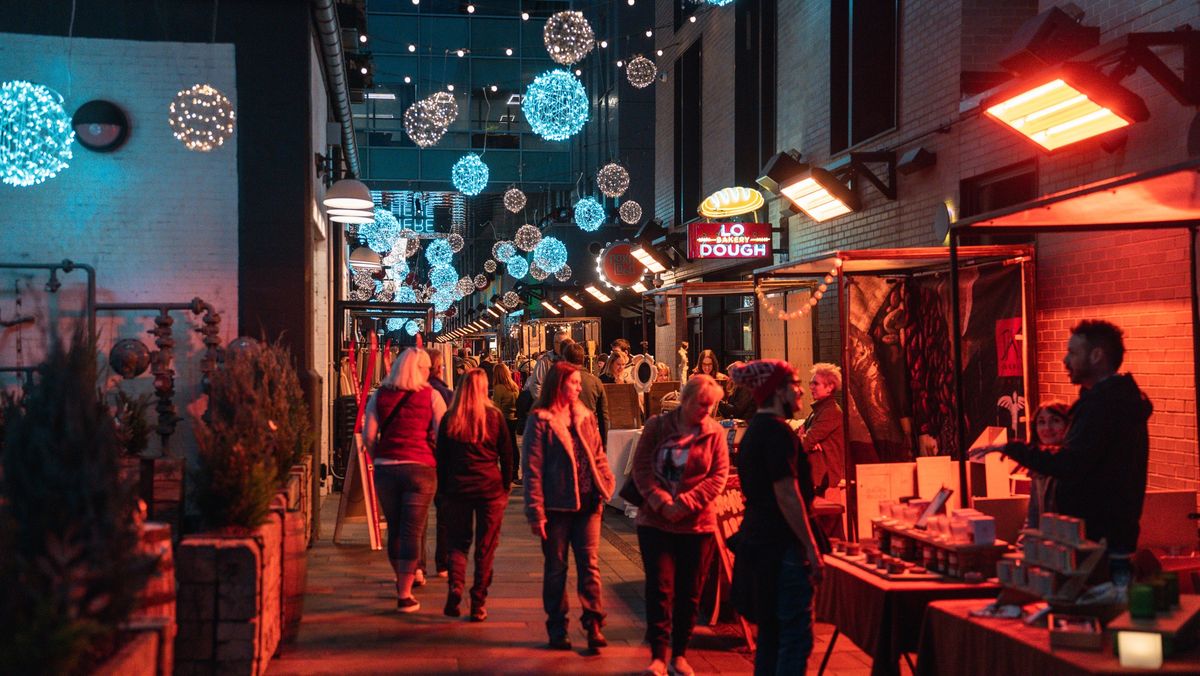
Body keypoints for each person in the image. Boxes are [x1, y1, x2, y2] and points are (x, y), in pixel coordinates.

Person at [973, 320, 1152, 584]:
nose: (1065, 360)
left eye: (1073, 353)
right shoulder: (1107, 401)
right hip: (1099, 542)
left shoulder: (1105, 406)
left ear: (1096, 355)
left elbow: (1071, 462)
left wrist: (1013, 448)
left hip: (1099, 545)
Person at [728, 360, 825, 674]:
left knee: (770, 636)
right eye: (794, 383)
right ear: (777, 391)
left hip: (761, 544)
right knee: (794, 639)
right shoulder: (777, 433)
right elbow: (787, 494)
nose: (800, 391)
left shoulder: (757, 429)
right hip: (784, 548)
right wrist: (810, 546)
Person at [631, 375, 729, 676]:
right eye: (702, 404)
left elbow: (718, 475)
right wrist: (661, 501)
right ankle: (659, 655)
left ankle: (680, 655)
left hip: (697, 525)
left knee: (690, 591)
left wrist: (686, 503)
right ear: (685, 399)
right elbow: (642, 466)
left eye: (712, 406)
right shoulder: (657, 427)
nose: (707, 411)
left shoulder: (714, 433)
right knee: (660, 588)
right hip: (655, 523)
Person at [523, 361, 616, 651]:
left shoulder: (585, 416)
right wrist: (536, 511)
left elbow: (598, 453)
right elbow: (533, 469)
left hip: (589, 503)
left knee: (590, 565)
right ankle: (557, 626)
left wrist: (607, 483)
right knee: (556, 567)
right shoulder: (540, 420)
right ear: (558, 384)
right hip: (556, 506)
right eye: (573, 383)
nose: (578, 388)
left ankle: (593, 623)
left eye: (579, 383)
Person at [360, 348, 448, 613]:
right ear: (422, 370)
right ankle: (405, 591)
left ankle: (403, 578)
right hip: (421, 469)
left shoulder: (380, 396)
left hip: (387, 469)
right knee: (413, 530)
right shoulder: (431, 396)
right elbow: (442, 434)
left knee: (396, 529)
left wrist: (380, 457)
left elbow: (368, 436)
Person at [435, 368, 514, 622]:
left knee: (458, 543)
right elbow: (507, 453)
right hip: (489, 489)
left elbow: (442, 459)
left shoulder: (450, 418)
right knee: (486, 546)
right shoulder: (494, 416)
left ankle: (456, 586)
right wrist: (506, 482)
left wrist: (444, 488)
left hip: (457, 488)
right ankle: (478, 601)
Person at [1018, 401, 1070, 543]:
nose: (1047, 427)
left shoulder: (1073, 463)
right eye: (1041, 422)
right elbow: (1033, 516)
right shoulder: (1038, 467)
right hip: (1046, 549)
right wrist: (1023, 547)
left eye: (1055, 421)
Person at [799, 363, 845, 497]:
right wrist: (806, 438)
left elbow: (805, 442)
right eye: (811, 383)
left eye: (816, 383)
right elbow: (802, 436)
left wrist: (806, 439)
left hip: (824, 480)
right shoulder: (818, 410)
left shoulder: (830, 412)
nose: (811, 387)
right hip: (818, 477)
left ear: (830, 387)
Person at [563, 342, 610, 444]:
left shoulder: (558, 380)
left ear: (565, 359)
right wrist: (604, 443)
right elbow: (604, 416)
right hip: (588, 434)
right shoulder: (595, 381)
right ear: (583, 359)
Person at [492, 361, 521, 482]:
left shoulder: (498, 388)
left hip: (503, 419)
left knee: (501, 447)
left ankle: (502, 472)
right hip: (514, 419)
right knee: (513, 445)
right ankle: (515, 471)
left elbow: (496, 407)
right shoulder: (514, 386)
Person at [523, 329, 570, 399]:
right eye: (558, 343)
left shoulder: (569, 358)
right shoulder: (544, 361)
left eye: (566, 343)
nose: (565, 346)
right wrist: (543, 402)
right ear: (554, 343)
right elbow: (535, 384)